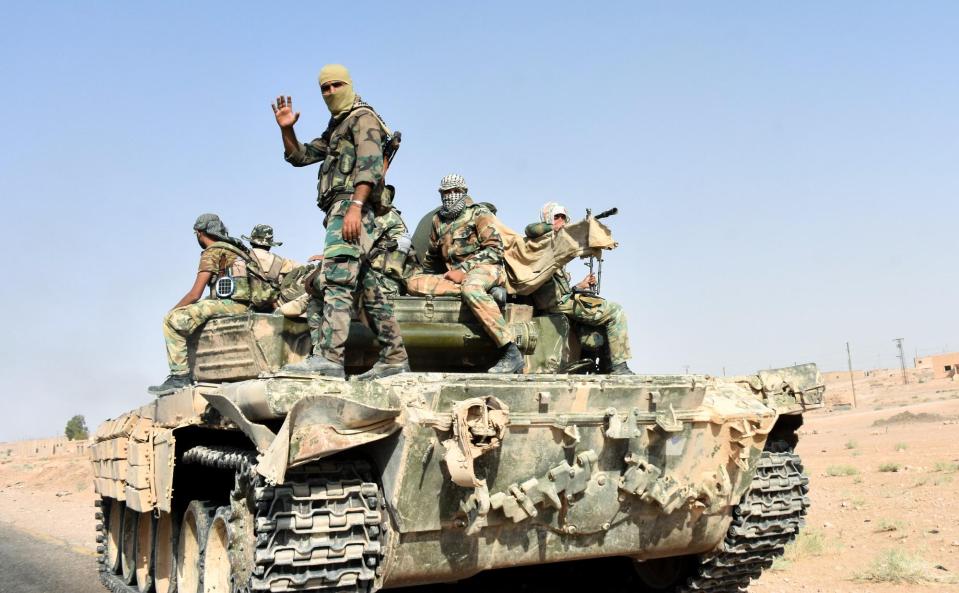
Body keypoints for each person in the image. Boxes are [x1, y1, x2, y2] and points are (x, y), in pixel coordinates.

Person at [271, 64, 408, 380]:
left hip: (351, 204)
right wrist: (286, 129)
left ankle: (330, 360)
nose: (331, 92)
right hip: (344, 208)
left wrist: (356, 207)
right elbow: (300, 156)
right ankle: (395, 357)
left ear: (348, 84)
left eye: (336, 85)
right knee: (367, 285)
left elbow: (371, 168)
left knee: (336, 280)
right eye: (325, 88)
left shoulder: (363, 119)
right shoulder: (338, 126)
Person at [407, 174, 524, 374]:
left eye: (455, 191)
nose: (450, 196)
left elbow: (495, 250)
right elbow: (432, 259)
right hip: (454, 277)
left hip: (486, 268)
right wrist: (422, 276)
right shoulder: (438, 221)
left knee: (471, 287)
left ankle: (510, 350)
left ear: (464, 192)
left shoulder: (479, 213)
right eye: (446, 192)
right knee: (413, 284)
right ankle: (486, 296)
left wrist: (463, 270)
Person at [148, 214, 252, 395]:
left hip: (231, 304)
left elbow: (195, 293)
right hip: (243, 304)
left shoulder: (212, 251)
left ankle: (180, 376)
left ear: (199, 232)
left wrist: (173, 311)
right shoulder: (236, 250)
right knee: (196, 312)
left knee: (173, 320)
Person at [525, 202, 634, 375]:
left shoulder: (554, 246)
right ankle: (619, 366)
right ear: (546, 219)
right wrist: (564, 229)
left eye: (563, 217)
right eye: (556, 217)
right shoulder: (541, 242)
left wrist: (579, 286)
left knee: (597, 327)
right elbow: (530, 229)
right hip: (558, 304)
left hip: (561, 302)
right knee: (616, 312)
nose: (561, 221)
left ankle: (603, 364)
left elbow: (559, 291)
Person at [241, 224, 302, 308]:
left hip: (244, 307)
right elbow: (303, 271)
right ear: (270, 244)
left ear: (251, 242)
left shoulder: (241, 257)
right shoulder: (284, 262)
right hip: (272, 309)